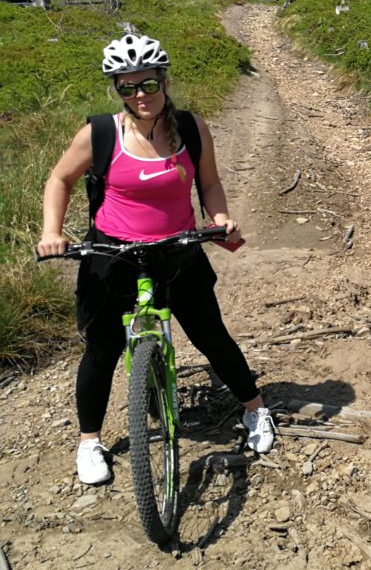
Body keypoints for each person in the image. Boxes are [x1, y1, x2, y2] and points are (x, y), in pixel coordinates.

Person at [36, 34, 275, 485]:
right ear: (116, 90)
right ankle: (90, 441)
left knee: (210, 335)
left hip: (177, 250)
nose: (138, 96)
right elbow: (59, 180)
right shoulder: (100, 134)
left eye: (147, 84)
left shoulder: (190, 128)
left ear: (163, 80)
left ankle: (255, 411)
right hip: (113, 255)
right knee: (102, 350)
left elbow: (209, 183)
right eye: (126, 88)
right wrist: (52, 233)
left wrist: (219, 218)